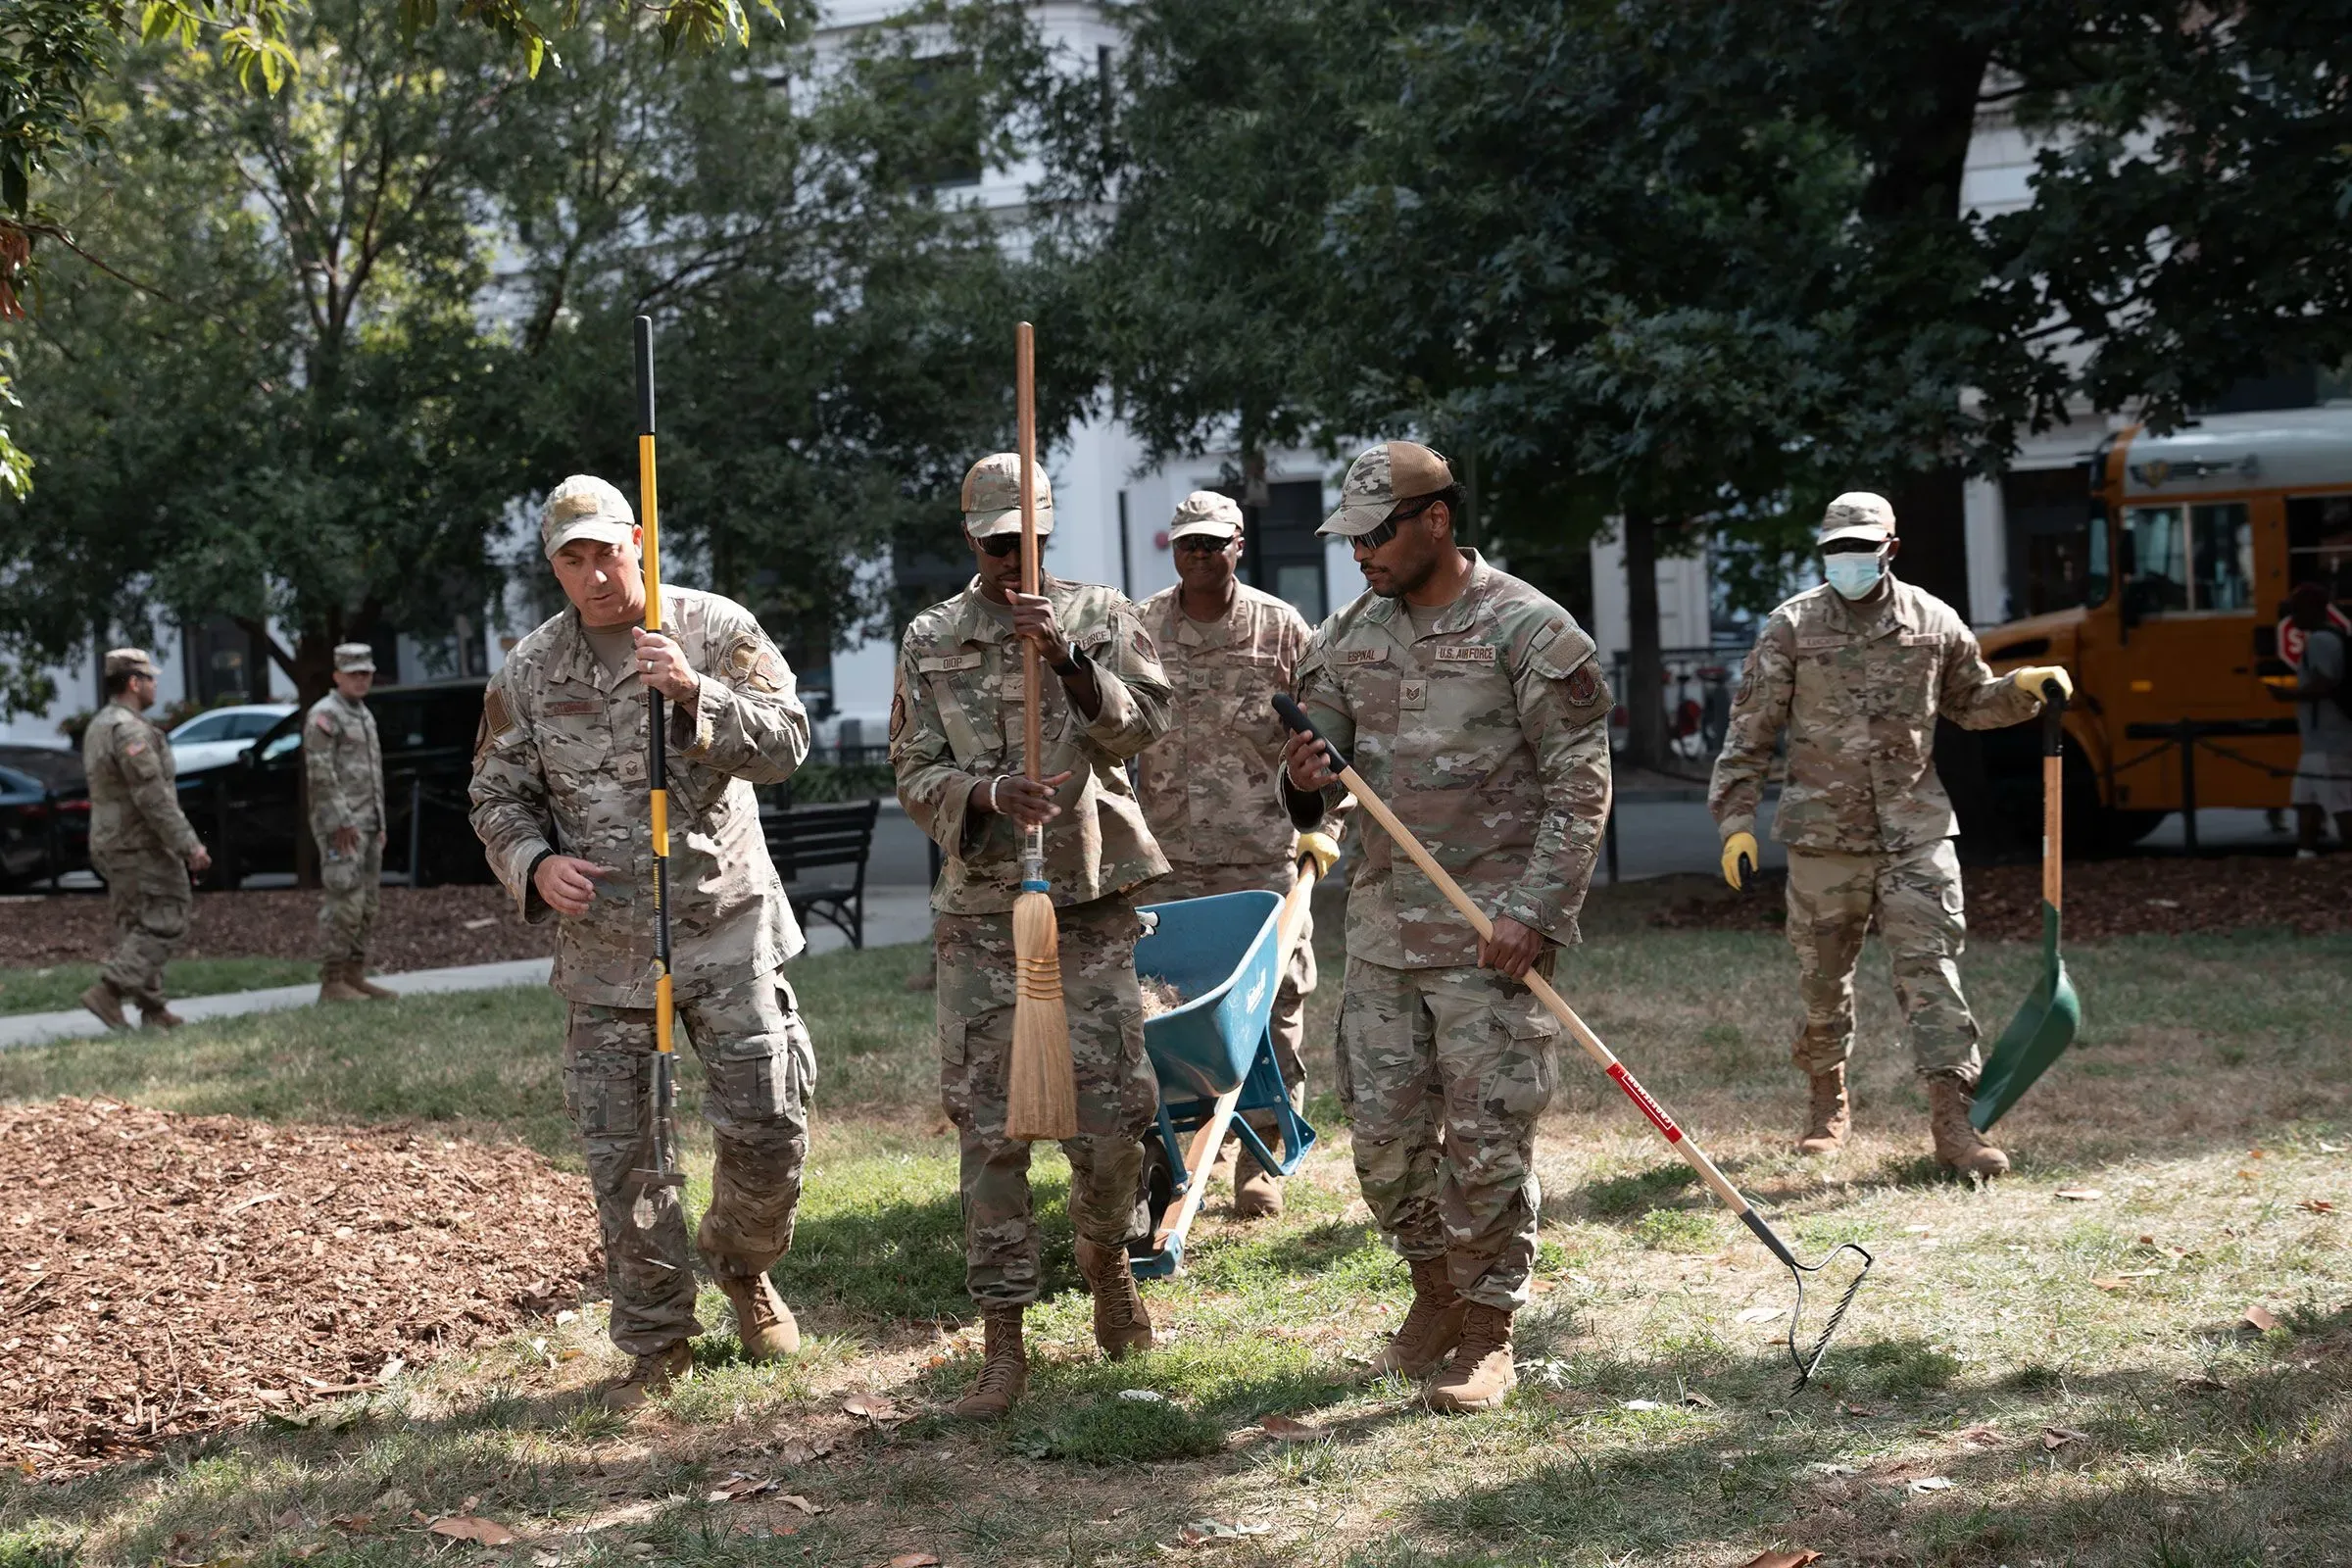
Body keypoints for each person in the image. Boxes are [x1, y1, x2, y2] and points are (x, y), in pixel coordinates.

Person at [1279, 441, 1613, 1414]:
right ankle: (1433, 1290)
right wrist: (1304, 780)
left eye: (1376, 535)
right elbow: (1318, 776)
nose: (1361, 556)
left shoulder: (1527, 630)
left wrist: (1536, 912)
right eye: (1351, 539)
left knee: (1487, 1142)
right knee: (1383, 1146)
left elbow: (1579, 785)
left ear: (1436, 520)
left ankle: (1487, 1333)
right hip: (1386, 933)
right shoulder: (1348, 636)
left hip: (1488, 935)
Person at [469, 474, 816, 1411]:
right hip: (607, 950)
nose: (591, 575)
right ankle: (658, 1340)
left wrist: (697, 695)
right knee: (626, 1157)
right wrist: (535, 863)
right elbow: (495, 796)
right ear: (552, 568)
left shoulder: (712, 628)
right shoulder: (529, 672)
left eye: (605, 552)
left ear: (639, 544)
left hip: (724, 925)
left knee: (768, 1127)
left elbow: (789, 744)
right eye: (569, 560)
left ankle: (743, 1264)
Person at [891, 451, 1176, 1420]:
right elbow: (911, 766)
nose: (1018, 558)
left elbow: (1139, 732)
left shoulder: (1098, 612)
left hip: (1088, 904)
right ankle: (1004, 1338)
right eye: (999, 541)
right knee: (990, 1130)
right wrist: (982, 792)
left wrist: (1066, 659)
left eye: (1033, 540)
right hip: (981, 914)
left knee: (1114, 1119)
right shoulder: (931, 636)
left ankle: (1106, 1261)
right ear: (971, 539)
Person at [1709, 492, 2073, 1178]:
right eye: (1836, 550)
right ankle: (1826, 1100)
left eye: (1862, 548)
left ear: (1890, 549)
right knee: (1822, 983)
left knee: (1933, 977)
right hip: (1823, 838)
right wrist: (1736, 823)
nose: (1848, 561)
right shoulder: (1791, 628)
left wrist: (2024, 687)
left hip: (1915, 833)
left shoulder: (1933, 623)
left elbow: (1971, 703)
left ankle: (1954, 1123)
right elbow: (1749, 732)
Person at [1132, 490, 1337, 1220]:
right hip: (1168, 860)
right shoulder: (1142, 627)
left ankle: (1264, 1157)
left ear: (1238, 545)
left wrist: (1323, 827)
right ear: (1173, 549)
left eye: (1213, 543)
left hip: (1262, 856)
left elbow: (1321, 739)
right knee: (1173, 1012)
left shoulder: (1281, 628)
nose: (1200, 555)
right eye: (1188, 543)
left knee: (1275, 1010)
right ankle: (1187, 1150)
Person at [78, 649, 214, 1031]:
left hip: (113, 840)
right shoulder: (130, 730)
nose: (156, 685)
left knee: (136, 921)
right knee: (169, 912)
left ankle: (152, 1009)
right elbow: (152, 798)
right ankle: (109, 991)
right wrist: (190, 844)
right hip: (139, 842)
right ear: (134, 683)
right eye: (151, 679)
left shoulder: (101, 724)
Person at [306, 643, 392, 1003]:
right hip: (341, 828)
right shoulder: (324, 715)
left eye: (366, 673)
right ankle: (332, 980)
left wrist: (380, 822)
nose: (361, 679)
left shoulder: (362, 713)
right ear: (337, 675)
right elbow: (321, 774)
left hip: (368, 824)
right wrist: (342, 821)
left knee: (368, 904)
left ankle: (354, 975)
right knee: (346, 903)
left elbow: (372, 775)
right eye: (354, 673)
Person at [2276, 581, 2352, 855]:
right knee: (2306, 802)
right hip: (2317, 742)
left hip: (2331, 740)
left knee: (2342, 806)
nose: (2292, 617)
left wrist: (2289, 696)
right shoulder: (2331, 637)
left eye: (2296, 610)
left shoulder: (2322, 640)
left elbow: (2325, 683)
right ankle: (2305, 855)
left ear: (2313, 609)